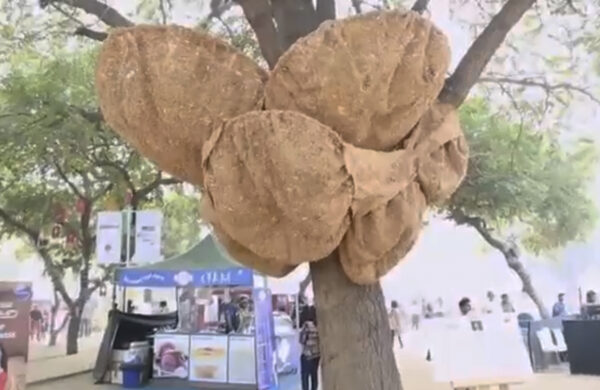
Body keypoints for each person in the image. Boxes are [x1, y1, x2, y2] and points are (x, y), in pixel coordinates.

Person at [299, 307, 319, 390]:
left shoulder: (307, 326)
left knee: (305, 377)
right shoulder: (318, 325)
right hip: (316, 355)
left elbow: (301, 340)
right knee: (314, 375)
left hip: (307, 355)